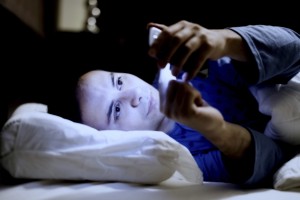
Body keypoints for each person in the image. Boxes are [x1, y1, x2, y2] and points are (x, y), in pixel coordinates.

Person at [76, 20, 300, 188]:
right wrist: (216, 130)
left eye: (119, 81)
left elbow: (294, 51)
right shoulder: (174, 157)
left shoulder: (184, 71)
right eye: (116, 110)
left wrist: (223, 41)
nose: (134, 95)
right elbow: (272, 160)